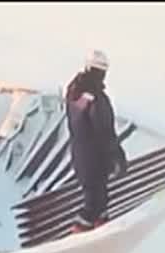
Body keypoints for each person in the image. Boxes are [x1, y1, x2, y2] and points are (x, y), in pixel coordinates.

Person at [65, 49, 128, 233]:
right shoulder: (98, 100)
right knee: (95, 204)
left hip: (79, 155)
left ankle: (95, 231)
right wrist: (118, 157)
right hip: (95, 158)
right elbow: (105, 132)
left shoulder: (73, 94)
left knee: (95, 200)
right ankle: (80, 238)